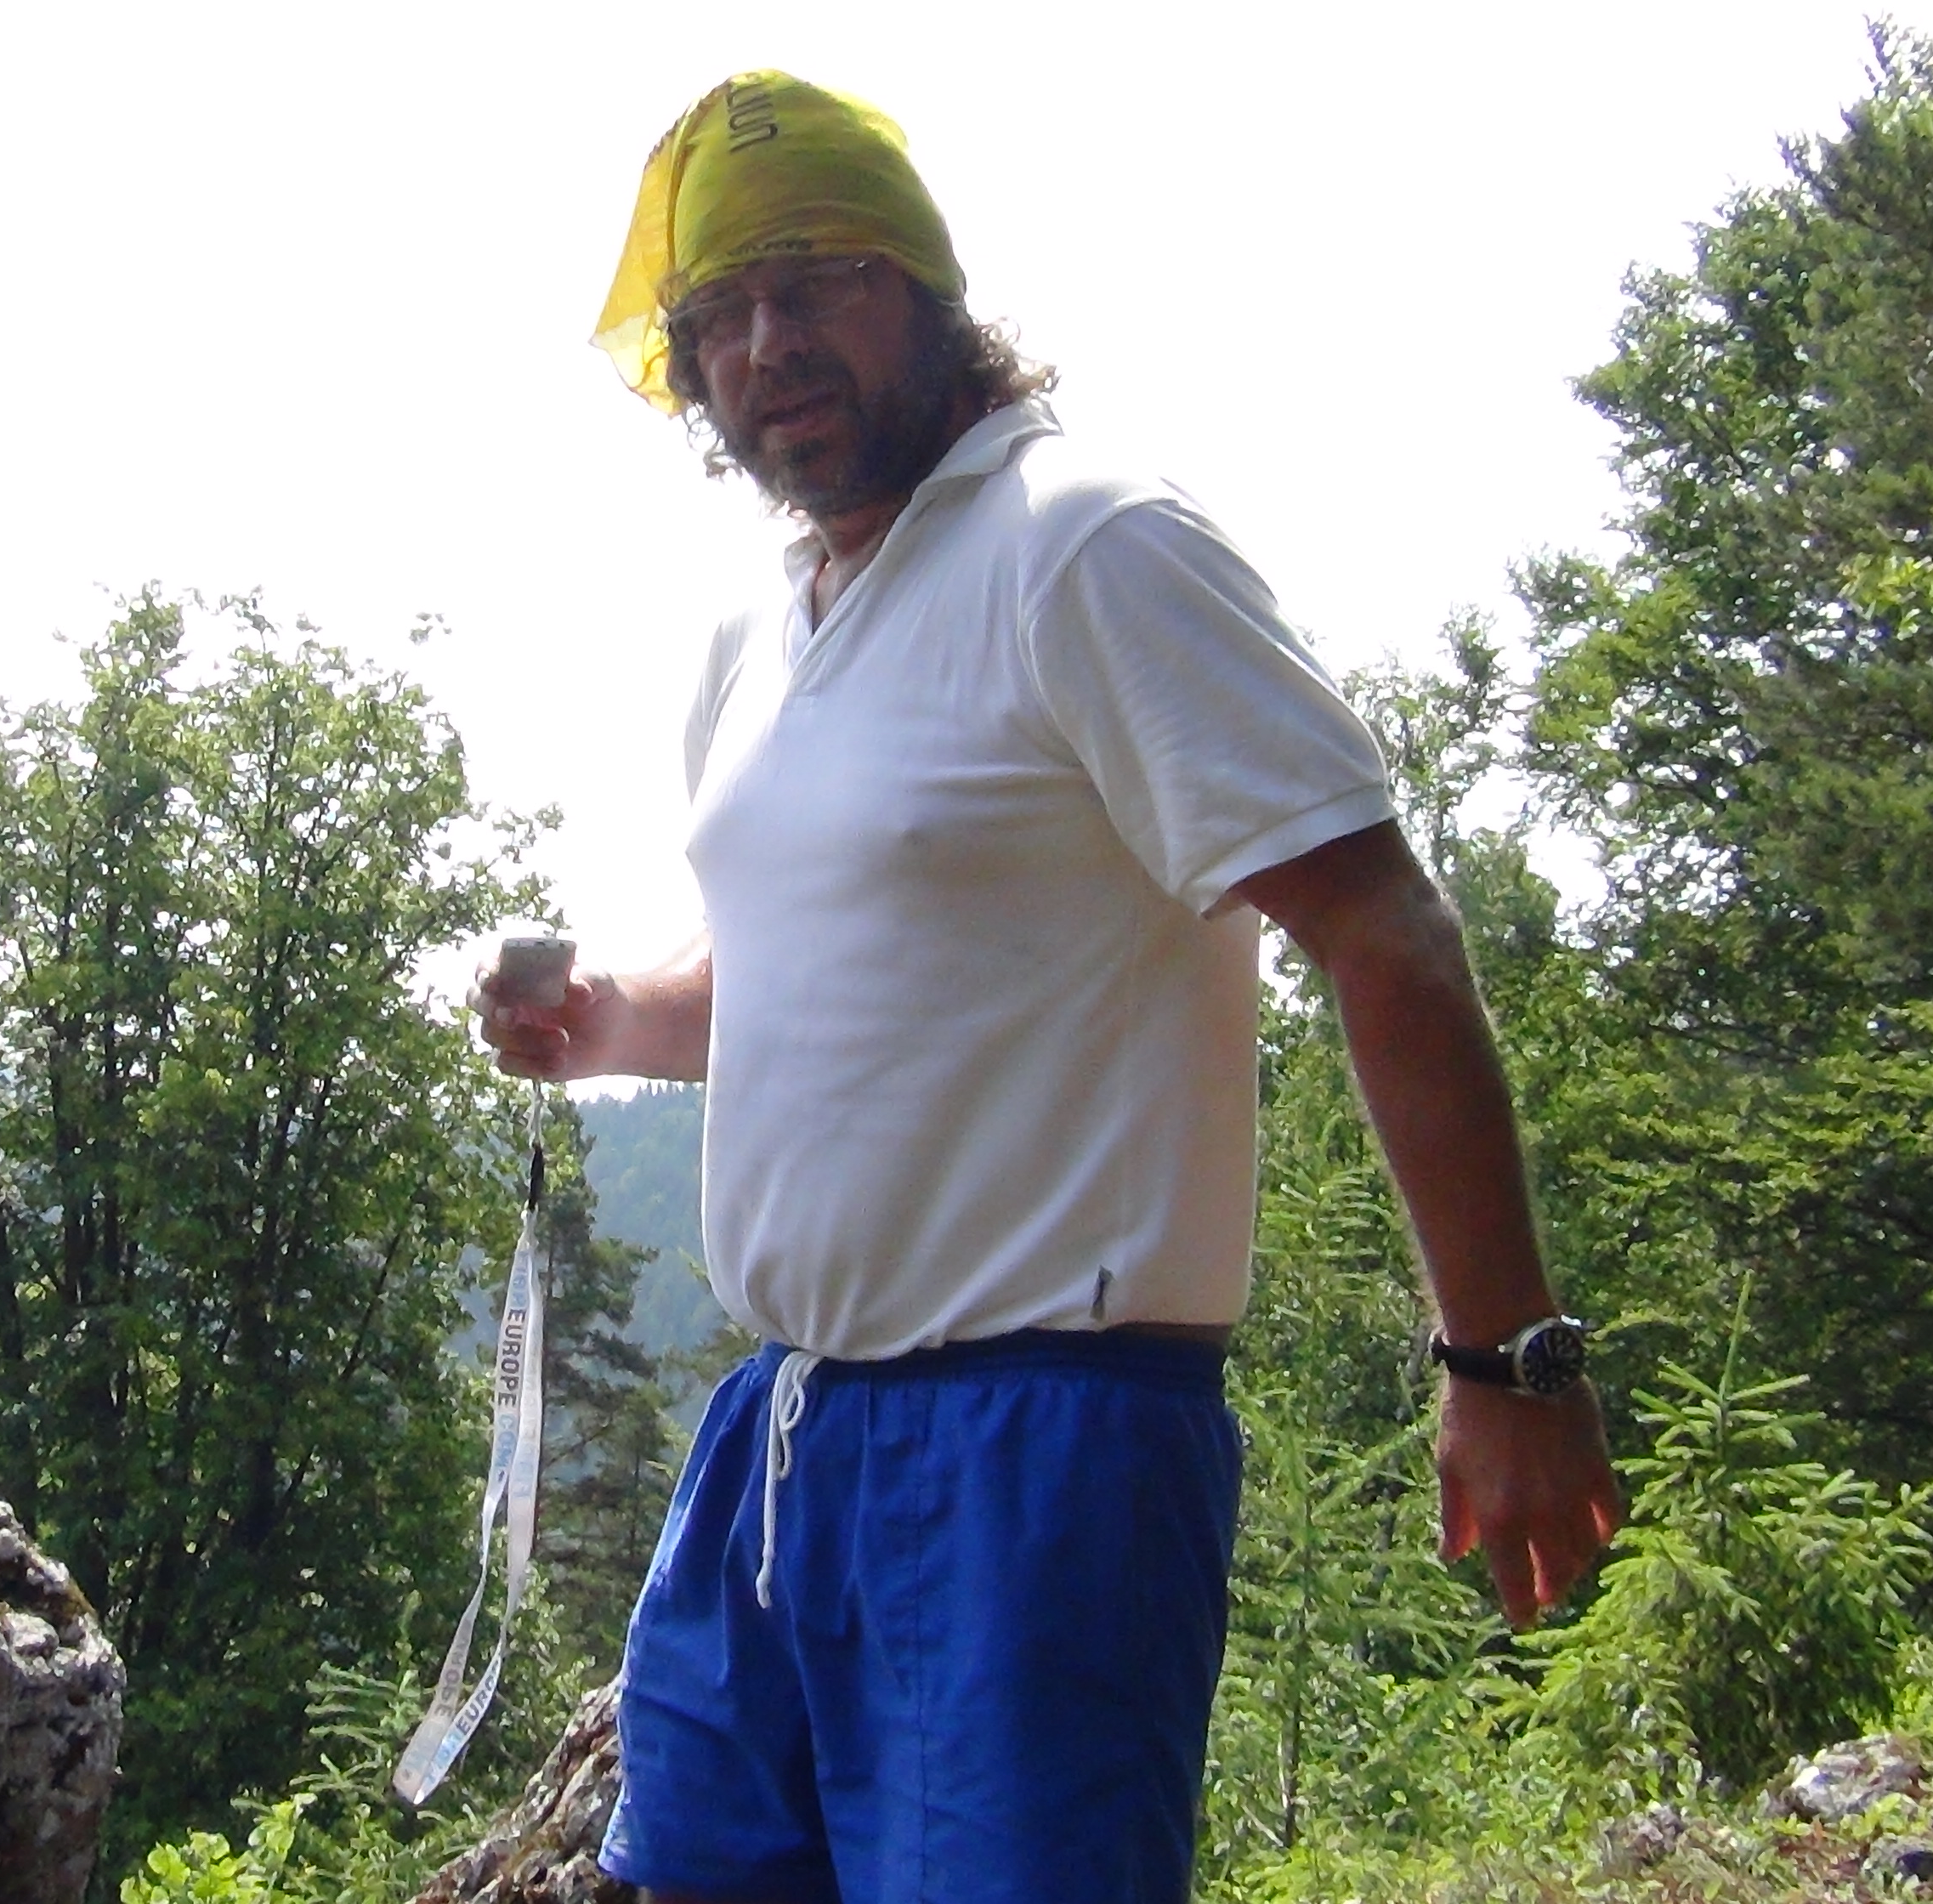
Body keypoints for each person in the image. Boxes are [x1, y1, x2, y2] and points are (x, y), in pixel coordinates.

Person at [473, 71, 1626, 1904]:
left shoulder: (1086, 543)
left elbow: (1382, 928)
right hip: (781, 1436)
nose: (768, 346)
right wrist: (611, 1015)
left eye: (818, 281)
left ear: (926, 288)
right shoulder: (761, 633)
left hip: (1041, 1445)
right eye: (722, 313)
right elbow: (804, 974)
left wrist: (1504, 1357)